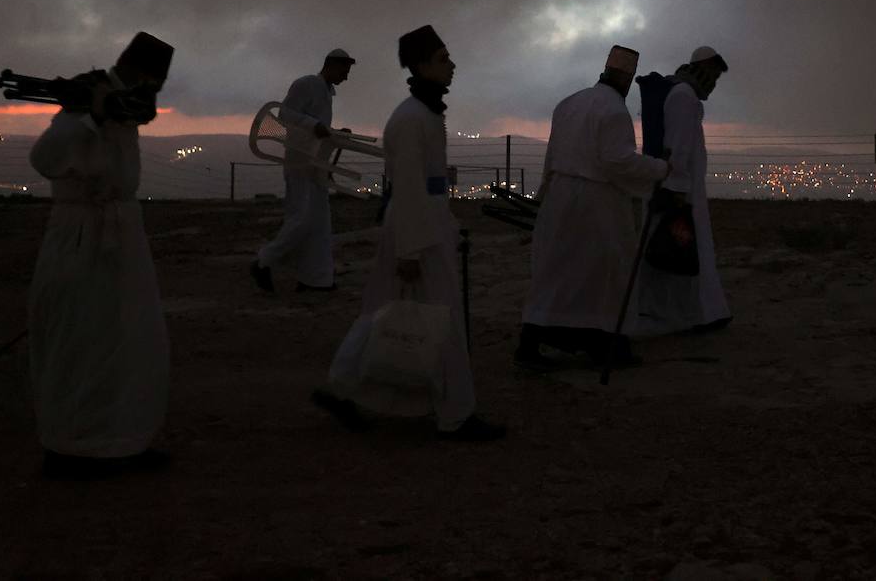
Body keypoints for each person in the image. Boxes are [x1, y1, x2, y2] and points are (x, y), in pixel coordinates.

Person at [314, 25, 505, 442]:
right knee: (443, 315)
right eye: (443, 59)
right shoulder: (412, 118)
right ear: (421, 66)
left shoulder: (422, 113)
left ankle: (342, 387)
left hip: (420, 224)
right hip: (416, 228)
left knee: (382, 309)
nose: (452, 65)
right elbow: (412, 187)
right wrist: (412, 249)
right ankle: (456, 413)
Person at [27, 32, 174, 479]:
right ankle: (73, 445)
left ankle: (117, 440)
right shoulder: (86, 99)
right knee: (81, 336)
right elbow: (46, 158)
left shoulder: (125, 101)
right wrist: (91, 113)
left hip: (120, 233)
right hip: (83, 234)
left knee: (126, 339)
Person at [517, 45, 669, 370]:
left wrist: (544, 195)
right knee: (603, 275)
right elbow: (617, 162)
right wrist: (657, 169)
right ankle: (606, 345)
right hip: (595, 206)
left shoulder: (568, 103)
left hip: (560, 199)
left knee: (556, 273)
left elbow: (552, 155)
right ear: (627, 78)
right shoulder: (614, 111)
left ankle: (531, 342)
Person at [635, 46, 733, 336]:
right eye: (713, 75)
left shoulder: (682, 94)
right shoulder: (683, 97)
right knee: (675, 250)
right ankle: (685, 313)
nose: (713, 83)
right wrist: (675, 189)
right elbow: (676, 147)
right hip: (679, 192)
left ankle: (700, 312)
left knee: (681, 249)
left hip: (682, 189)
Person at [250, 48, 357, 293]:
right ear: (330, 65)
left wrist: (334, 133)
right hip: (300, 163)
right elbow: (285, 114)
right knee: (302, 219)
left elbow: (316, 128)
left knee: (319, 223)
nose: (346, 76)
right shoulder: (306, 84)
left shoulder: (327, 92)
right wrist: (315, 126)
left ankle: (315, 279)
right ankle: (263, 261)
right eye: (344, 70)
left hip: (315, 164)